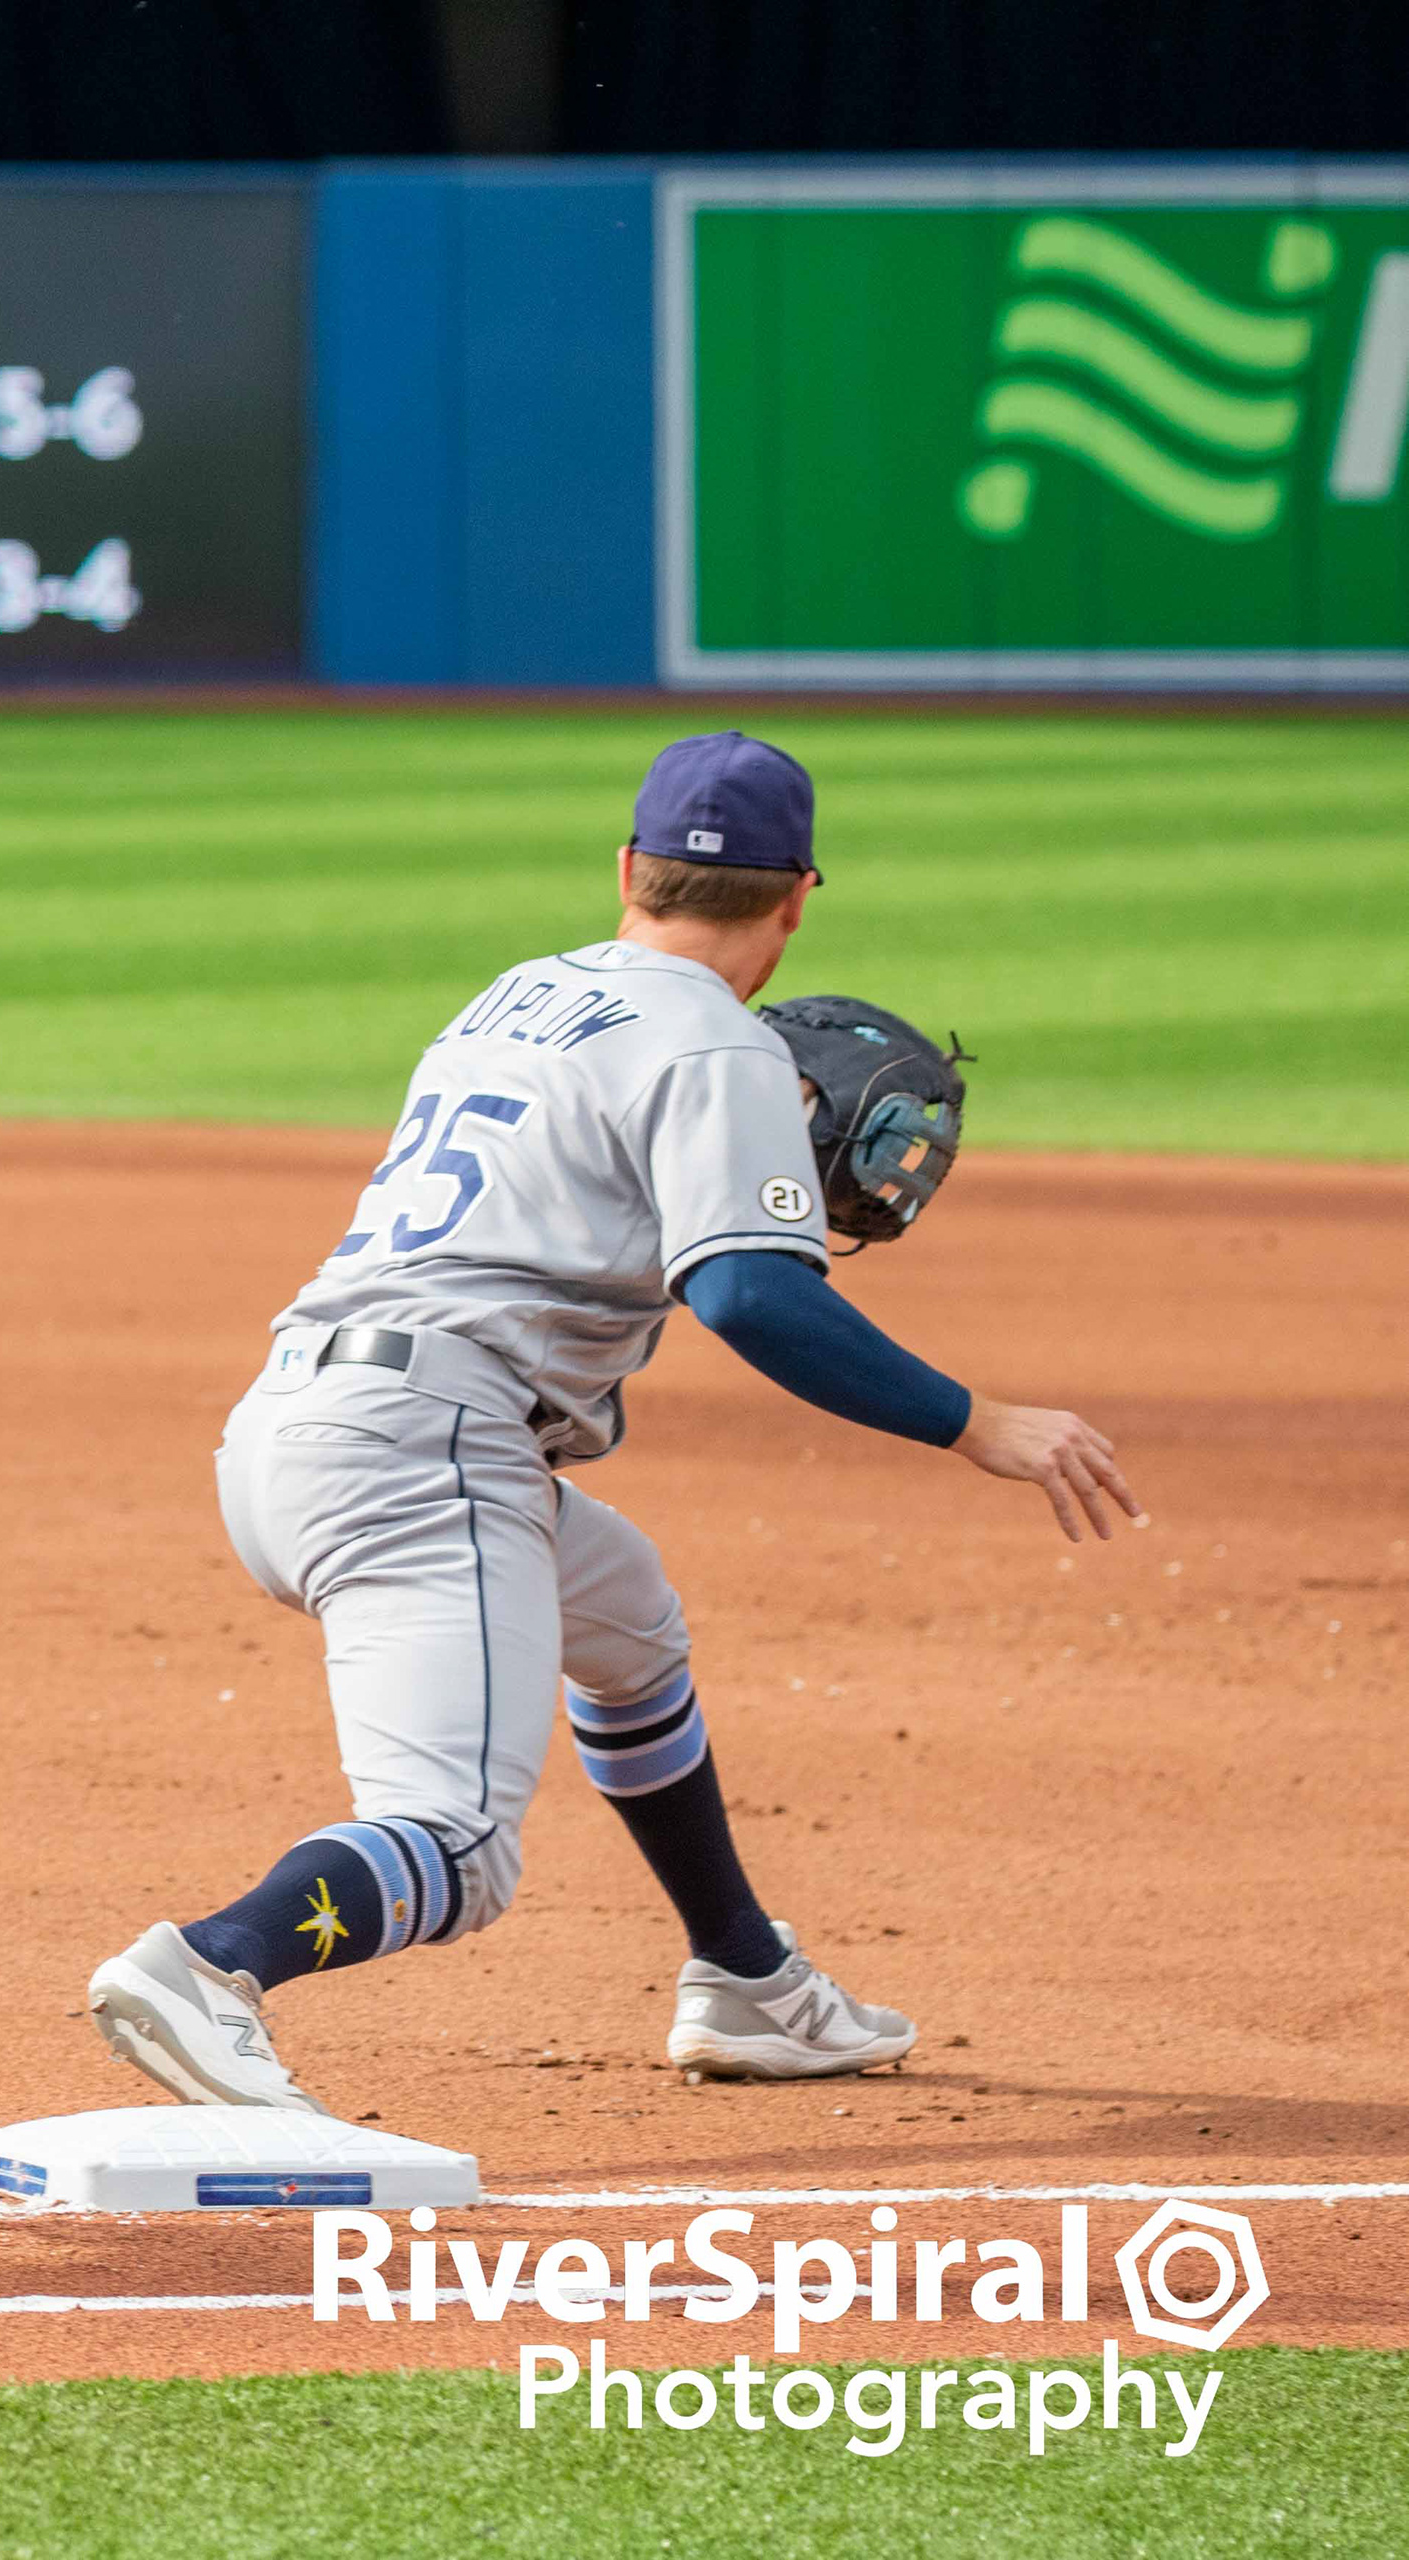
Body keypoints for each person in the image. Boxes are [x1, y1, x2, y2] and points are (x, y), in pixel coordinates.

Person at [88, 729, 1139, 2109]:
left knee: (628, 1619)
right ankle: (208, 1965)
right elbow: (753, 1297)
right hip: (426, 1452)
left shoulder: (520, 994)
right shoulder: (720, 1048)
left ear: (630, 869)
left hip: (302, 1421)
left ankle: (748, 1979)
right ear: (799, 897)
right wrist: (978, 1423)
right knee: (458, 1847)